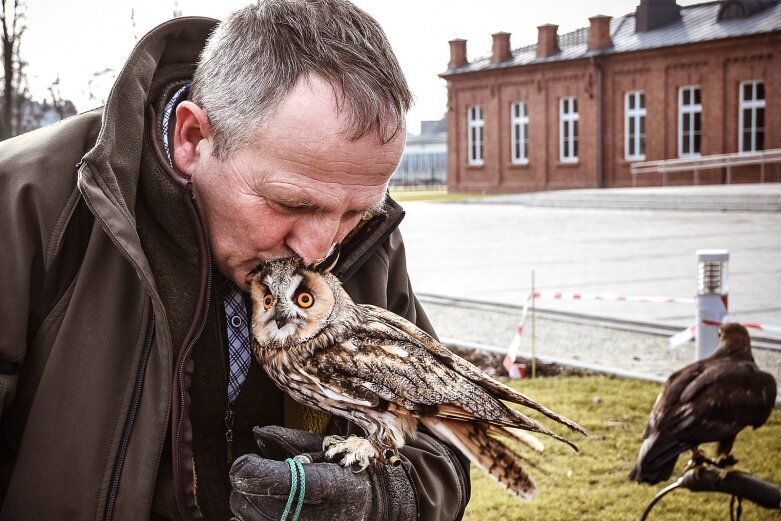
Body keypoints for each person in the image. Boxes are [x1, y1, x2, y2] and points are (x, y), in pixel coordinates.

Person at [0, 0, 471, 519]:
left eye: (354, 213)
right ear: (193, 139)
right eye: (292, 203)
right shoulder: (26, 209)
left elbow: (449, 444)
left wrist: (382, 499)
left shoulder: (364, 236)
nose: (320, 250)